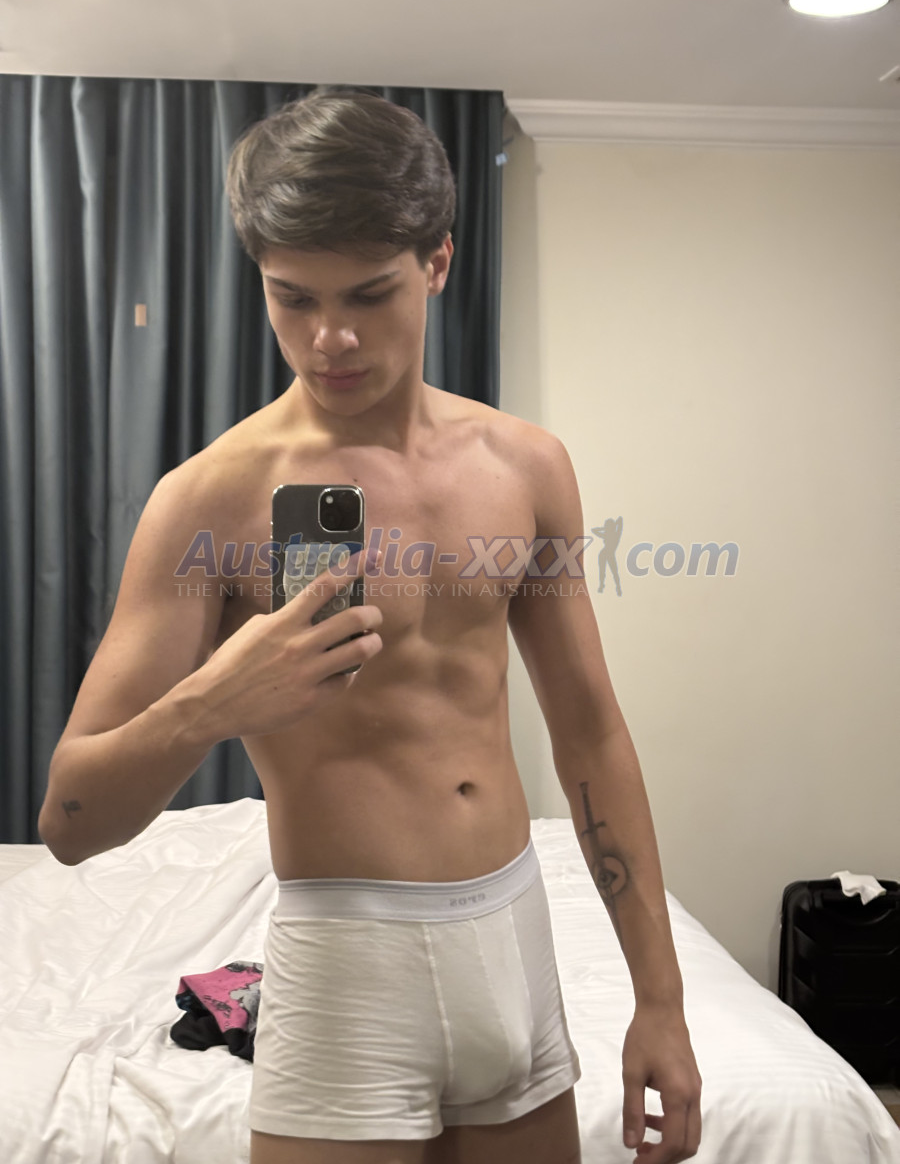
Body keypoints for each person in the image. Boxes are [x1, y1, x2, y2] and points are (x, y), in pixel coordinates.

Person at [38, 87, 702, 1164]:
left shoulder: (526, 468)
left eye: (368, 293)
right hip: (345, 965)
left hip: (512, 948)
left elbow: (590, 734)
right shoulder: (209, 499)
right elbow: (70, 819)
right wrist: (215, 703)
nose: (329, 337)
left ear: (437, 262)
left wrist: (660, 1000)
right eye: (292, 297)